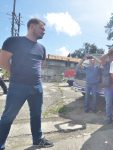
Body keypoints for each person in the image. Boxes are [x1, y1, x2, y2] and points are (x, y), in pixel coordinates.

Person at [0, 18, 53, 150]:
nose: (44, 32)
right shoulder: (13, 41)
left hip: (37, 86)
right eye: (41, 28)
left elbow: (40, 65)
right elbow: (3, 61)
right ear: (32, 26)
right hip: (18, 86)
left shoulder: (42, 48)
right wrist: (15, 73)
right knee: (8, 116)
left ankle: (37, 139)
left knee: (36, 114)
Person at [100, 46, 113, 124]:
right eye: (112, 55)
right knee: (108, 103)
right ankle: (109, 117)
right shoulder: (106, 63)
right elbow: (102, 59)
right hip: (108, 87)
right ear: (110, 56)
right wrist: (109, 52)